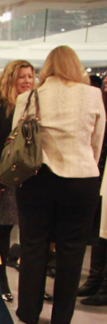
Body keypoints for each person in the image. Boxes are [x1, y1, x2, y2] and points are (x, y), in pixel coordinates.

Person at [13, 46, 105, 324]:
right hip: (81, 179)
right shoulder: (92, 94)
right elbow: (97, 140)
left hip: (37, 177)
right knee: (72, 249)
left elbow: (16, 135)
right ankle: (61, 319)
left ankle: (29, 311)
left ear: (47, 66)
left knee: (33, 245)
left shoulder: (28, 97)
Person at [0, 60, 36, 302]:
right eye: (22, 76)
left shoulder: (34, 107)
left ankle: (30, 285)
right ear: (10, 79)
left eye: (30, 76)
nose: (27, 81)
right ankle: (0, 280)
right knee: (3, 233)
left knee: (29, 232)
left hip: (30, 178)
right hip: (5, 178)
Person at [78, 75, 107, 306]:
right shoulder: (100, 102)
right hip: (100, 173)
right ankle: (95, 279)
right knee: (101, 231)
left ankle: (103, 283)